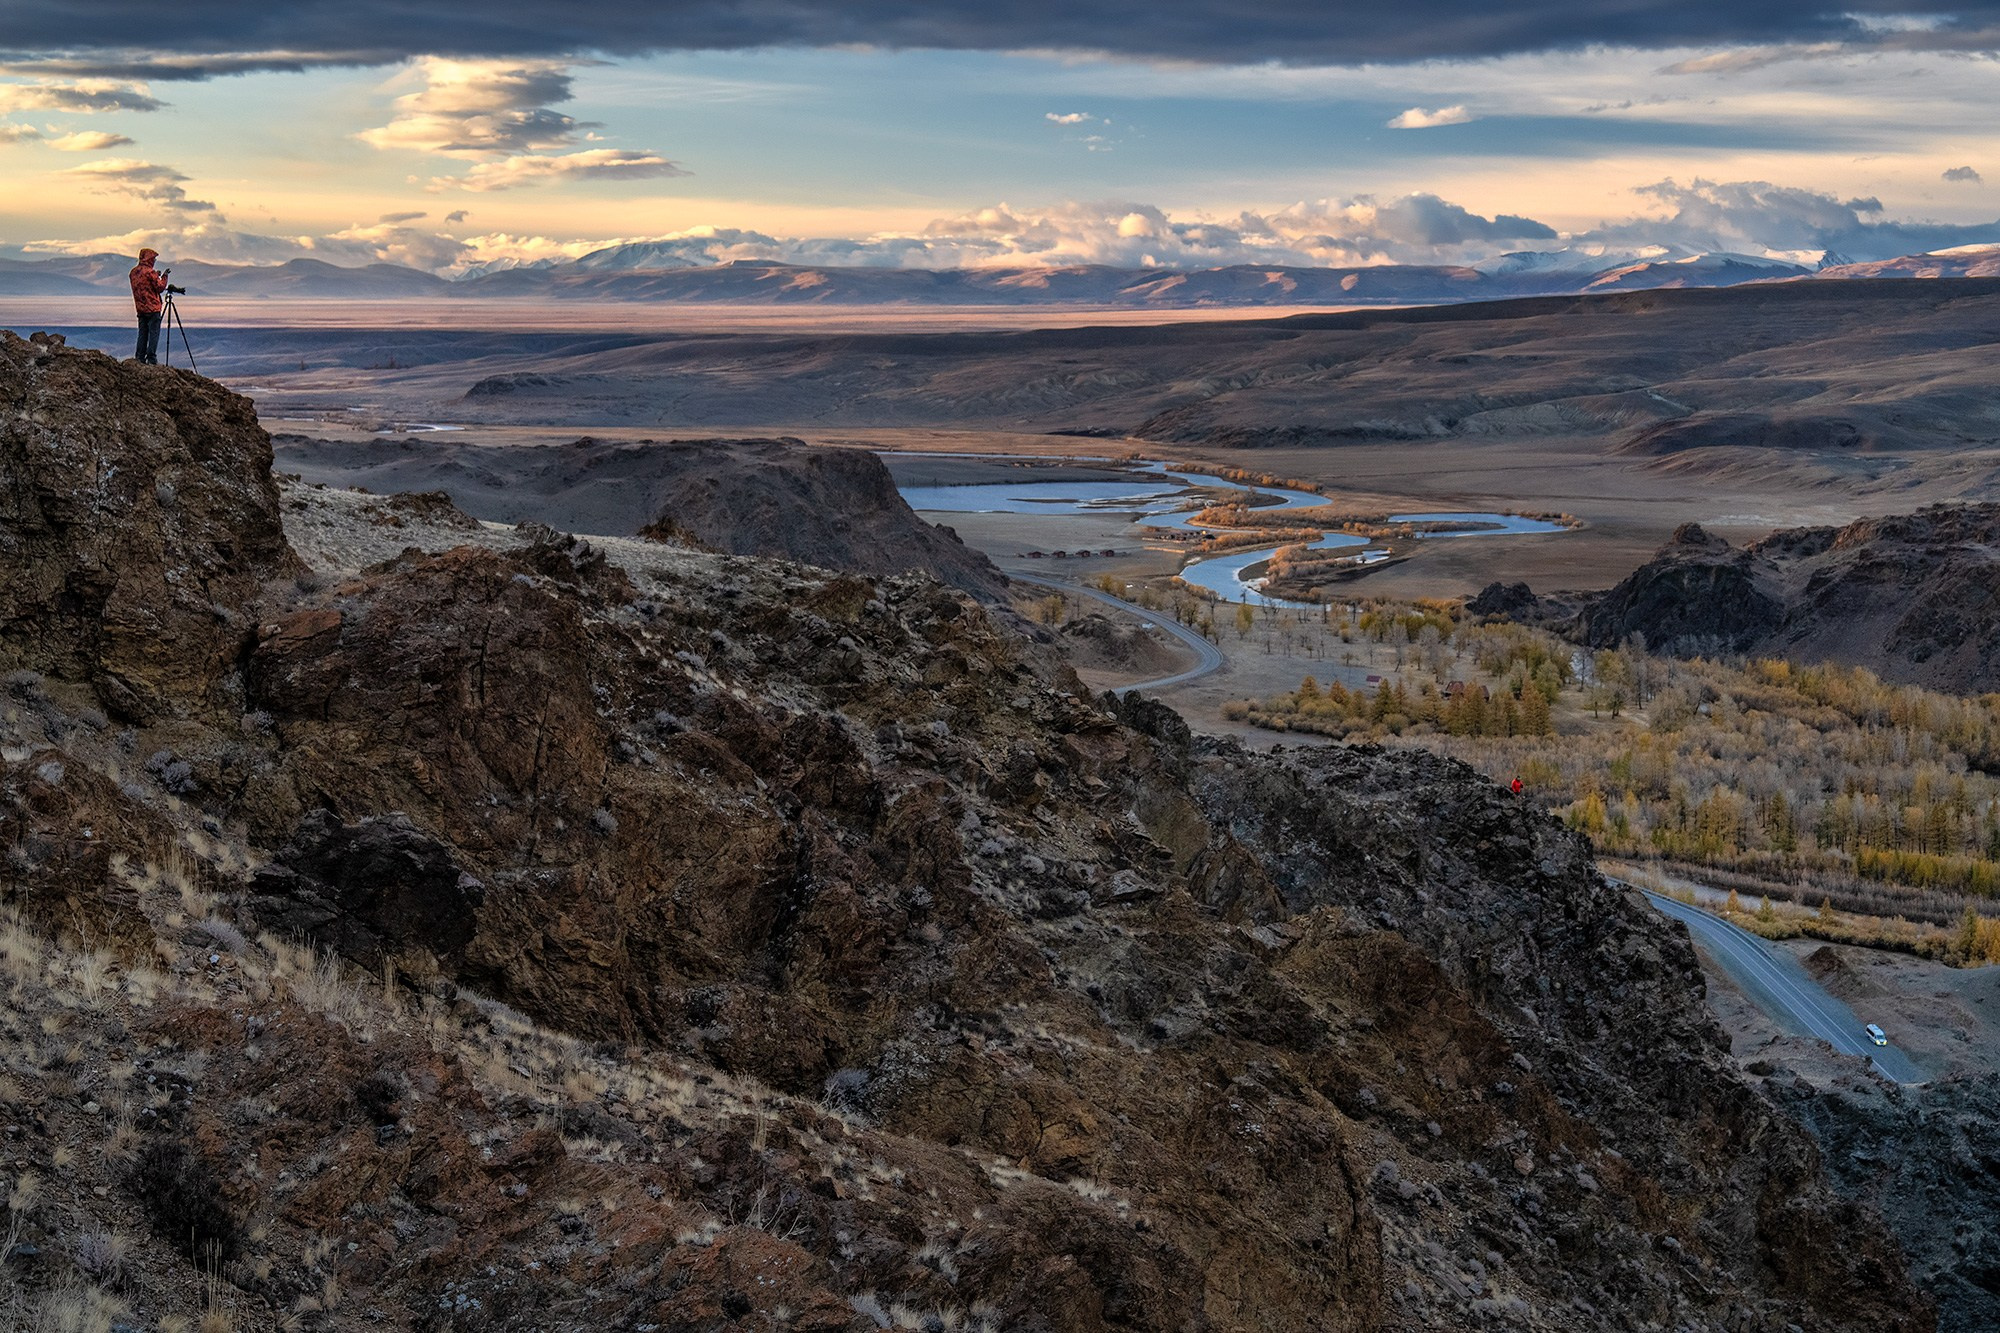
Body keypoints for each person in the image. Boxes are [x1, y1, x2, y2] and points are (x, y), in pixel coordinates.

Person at [128, 248, 180, 364]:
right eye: (153, 258)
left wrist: (156, 275)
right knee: (153, 334)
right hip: (153, 308)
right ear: (149, 259)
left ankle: (140, 357)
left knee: (142, 333)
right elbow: (160, 287)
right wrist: (164, 277)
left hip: (140, 308)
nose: (154, 260)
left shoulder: (133, 273)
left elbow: (144, 285)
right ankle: (151, 358)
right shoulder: (149, 272)